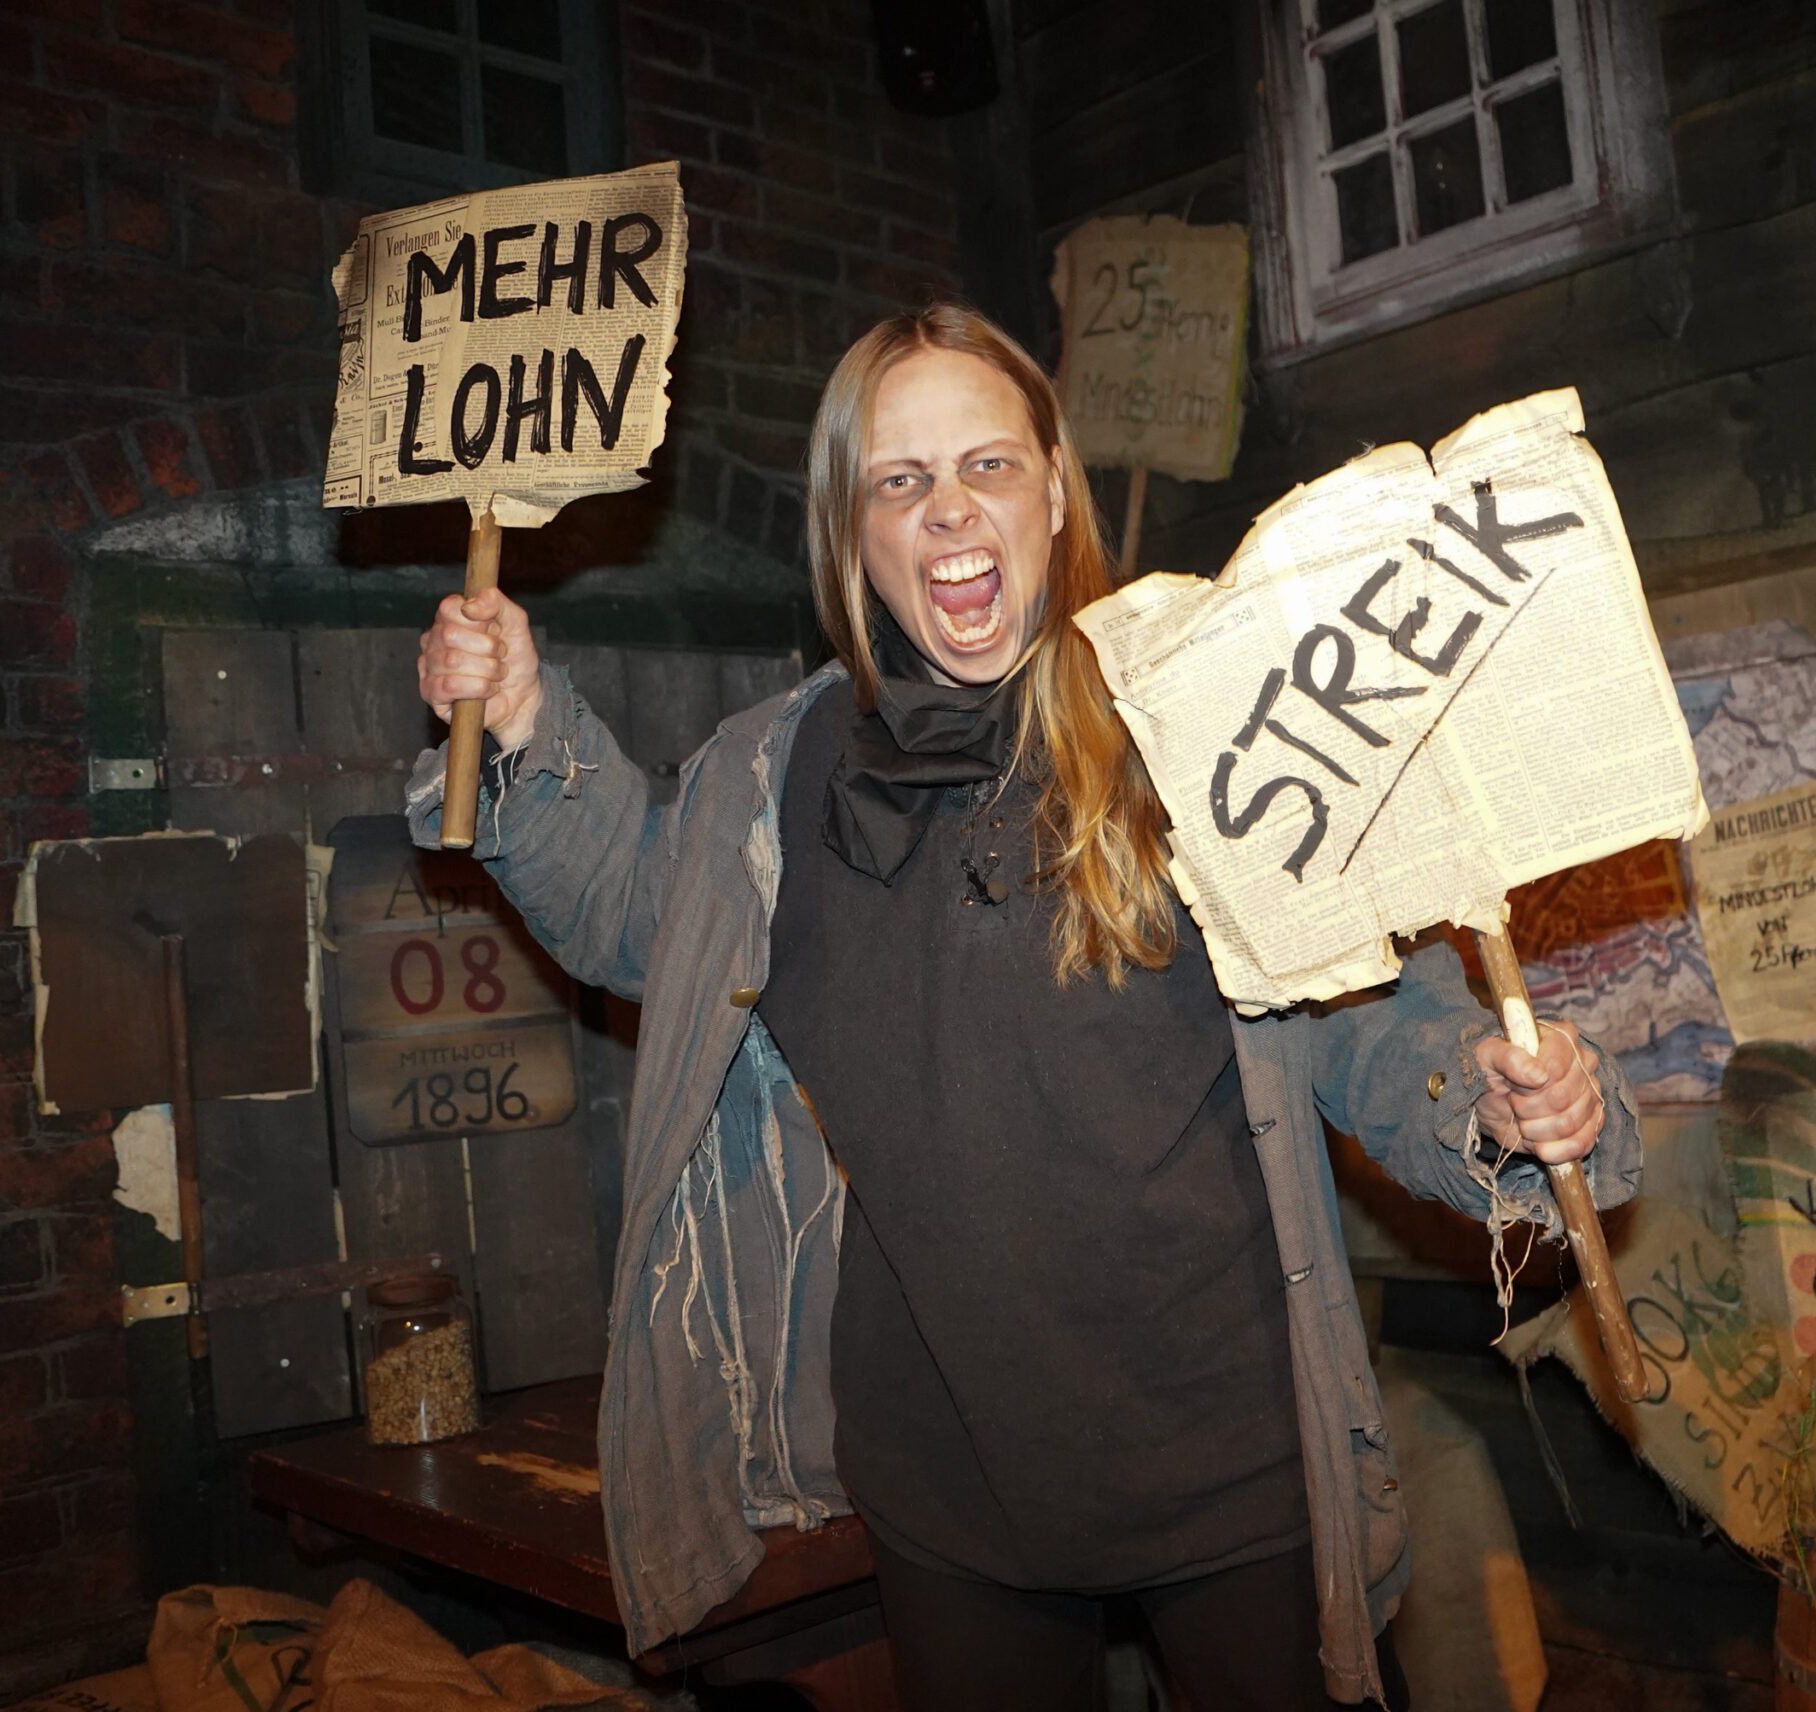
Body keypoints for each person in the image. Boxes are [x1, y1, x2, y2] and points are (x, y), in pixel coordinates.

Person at [412, 303, 1641, 1711]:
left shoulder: (1199, 721)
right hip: (952, 1472)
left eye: (988, 466)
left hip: (1229, 1452)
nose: (949, 511)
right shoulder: (778, 778)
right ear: (852, 531)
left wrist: (1479, 1086)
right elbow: (641, 919)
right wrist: (520, 722)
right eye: (899, 480)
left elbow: (1361, 1012)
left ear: (1055, 492)